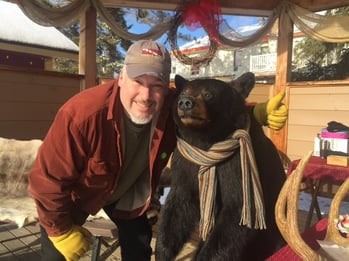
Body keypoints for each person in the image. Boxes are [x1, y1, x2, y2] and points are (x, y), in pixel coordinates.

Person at [28, 40, 288, 261]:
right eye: (138, 82)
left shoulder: (173, 105)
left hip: (126, 195)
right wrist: (59, 231)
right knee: (56, 253)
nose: (145, 94)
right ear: (120, 78)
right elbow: (46, 181)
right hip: (78, 195)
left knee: (140, 244)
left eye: (156, 85)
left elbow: (221, 105)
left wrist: (256, 112)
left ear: (167, 89)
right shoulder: (82, 115)